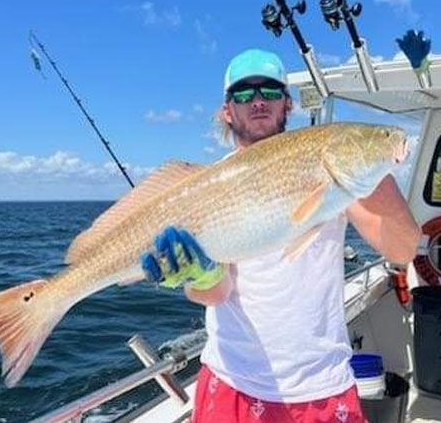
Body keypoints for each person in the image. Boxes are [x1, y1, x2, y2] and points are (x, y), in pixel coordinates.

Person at [140, 49, 421, 423]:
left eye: (270, 91)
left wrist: (375, 167)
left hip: (321, 386)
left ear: (287, 104)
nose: (257, 100)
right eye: (243, 93)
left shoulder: (335, 168)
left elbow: (403, 248)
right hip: (230, 381)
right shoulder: (206, 186)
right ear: (227, 110)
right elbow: (215, 294)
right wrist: (201, 276)